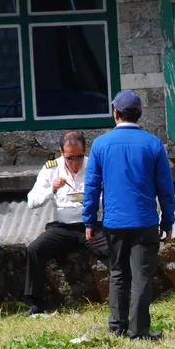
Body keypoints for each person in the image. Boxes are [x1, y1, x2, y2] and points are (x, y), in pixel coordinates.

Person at [83, 90, 175, 340]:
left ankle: (117, 326)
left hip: (114, 221)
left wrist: (89, 220)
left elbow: (92, 187)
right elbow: (165, 188)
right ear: (140, 113)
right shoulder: (153, 144)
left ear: (115, 113)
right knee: (142, 276)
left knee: (118, 272)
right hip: (145, 220)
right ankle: (139, 330)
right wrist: (168, 220)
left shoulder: (100, 144)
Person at [24, 131, 109, 316]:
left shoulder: (96, 165)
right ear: (61, 152)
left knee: (115, 247)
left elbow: (111, 196)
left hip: (91, 224)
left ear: (84, 151)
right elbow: (31, 201)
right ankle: (35, 303)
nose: (75, 163)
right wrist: (51, 189)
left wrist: (93, 199)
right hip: (63, 225)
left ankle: (123, 295)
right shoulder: (51, 168)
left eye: (79, 157)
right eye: (70, 158)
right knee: (34, 249)